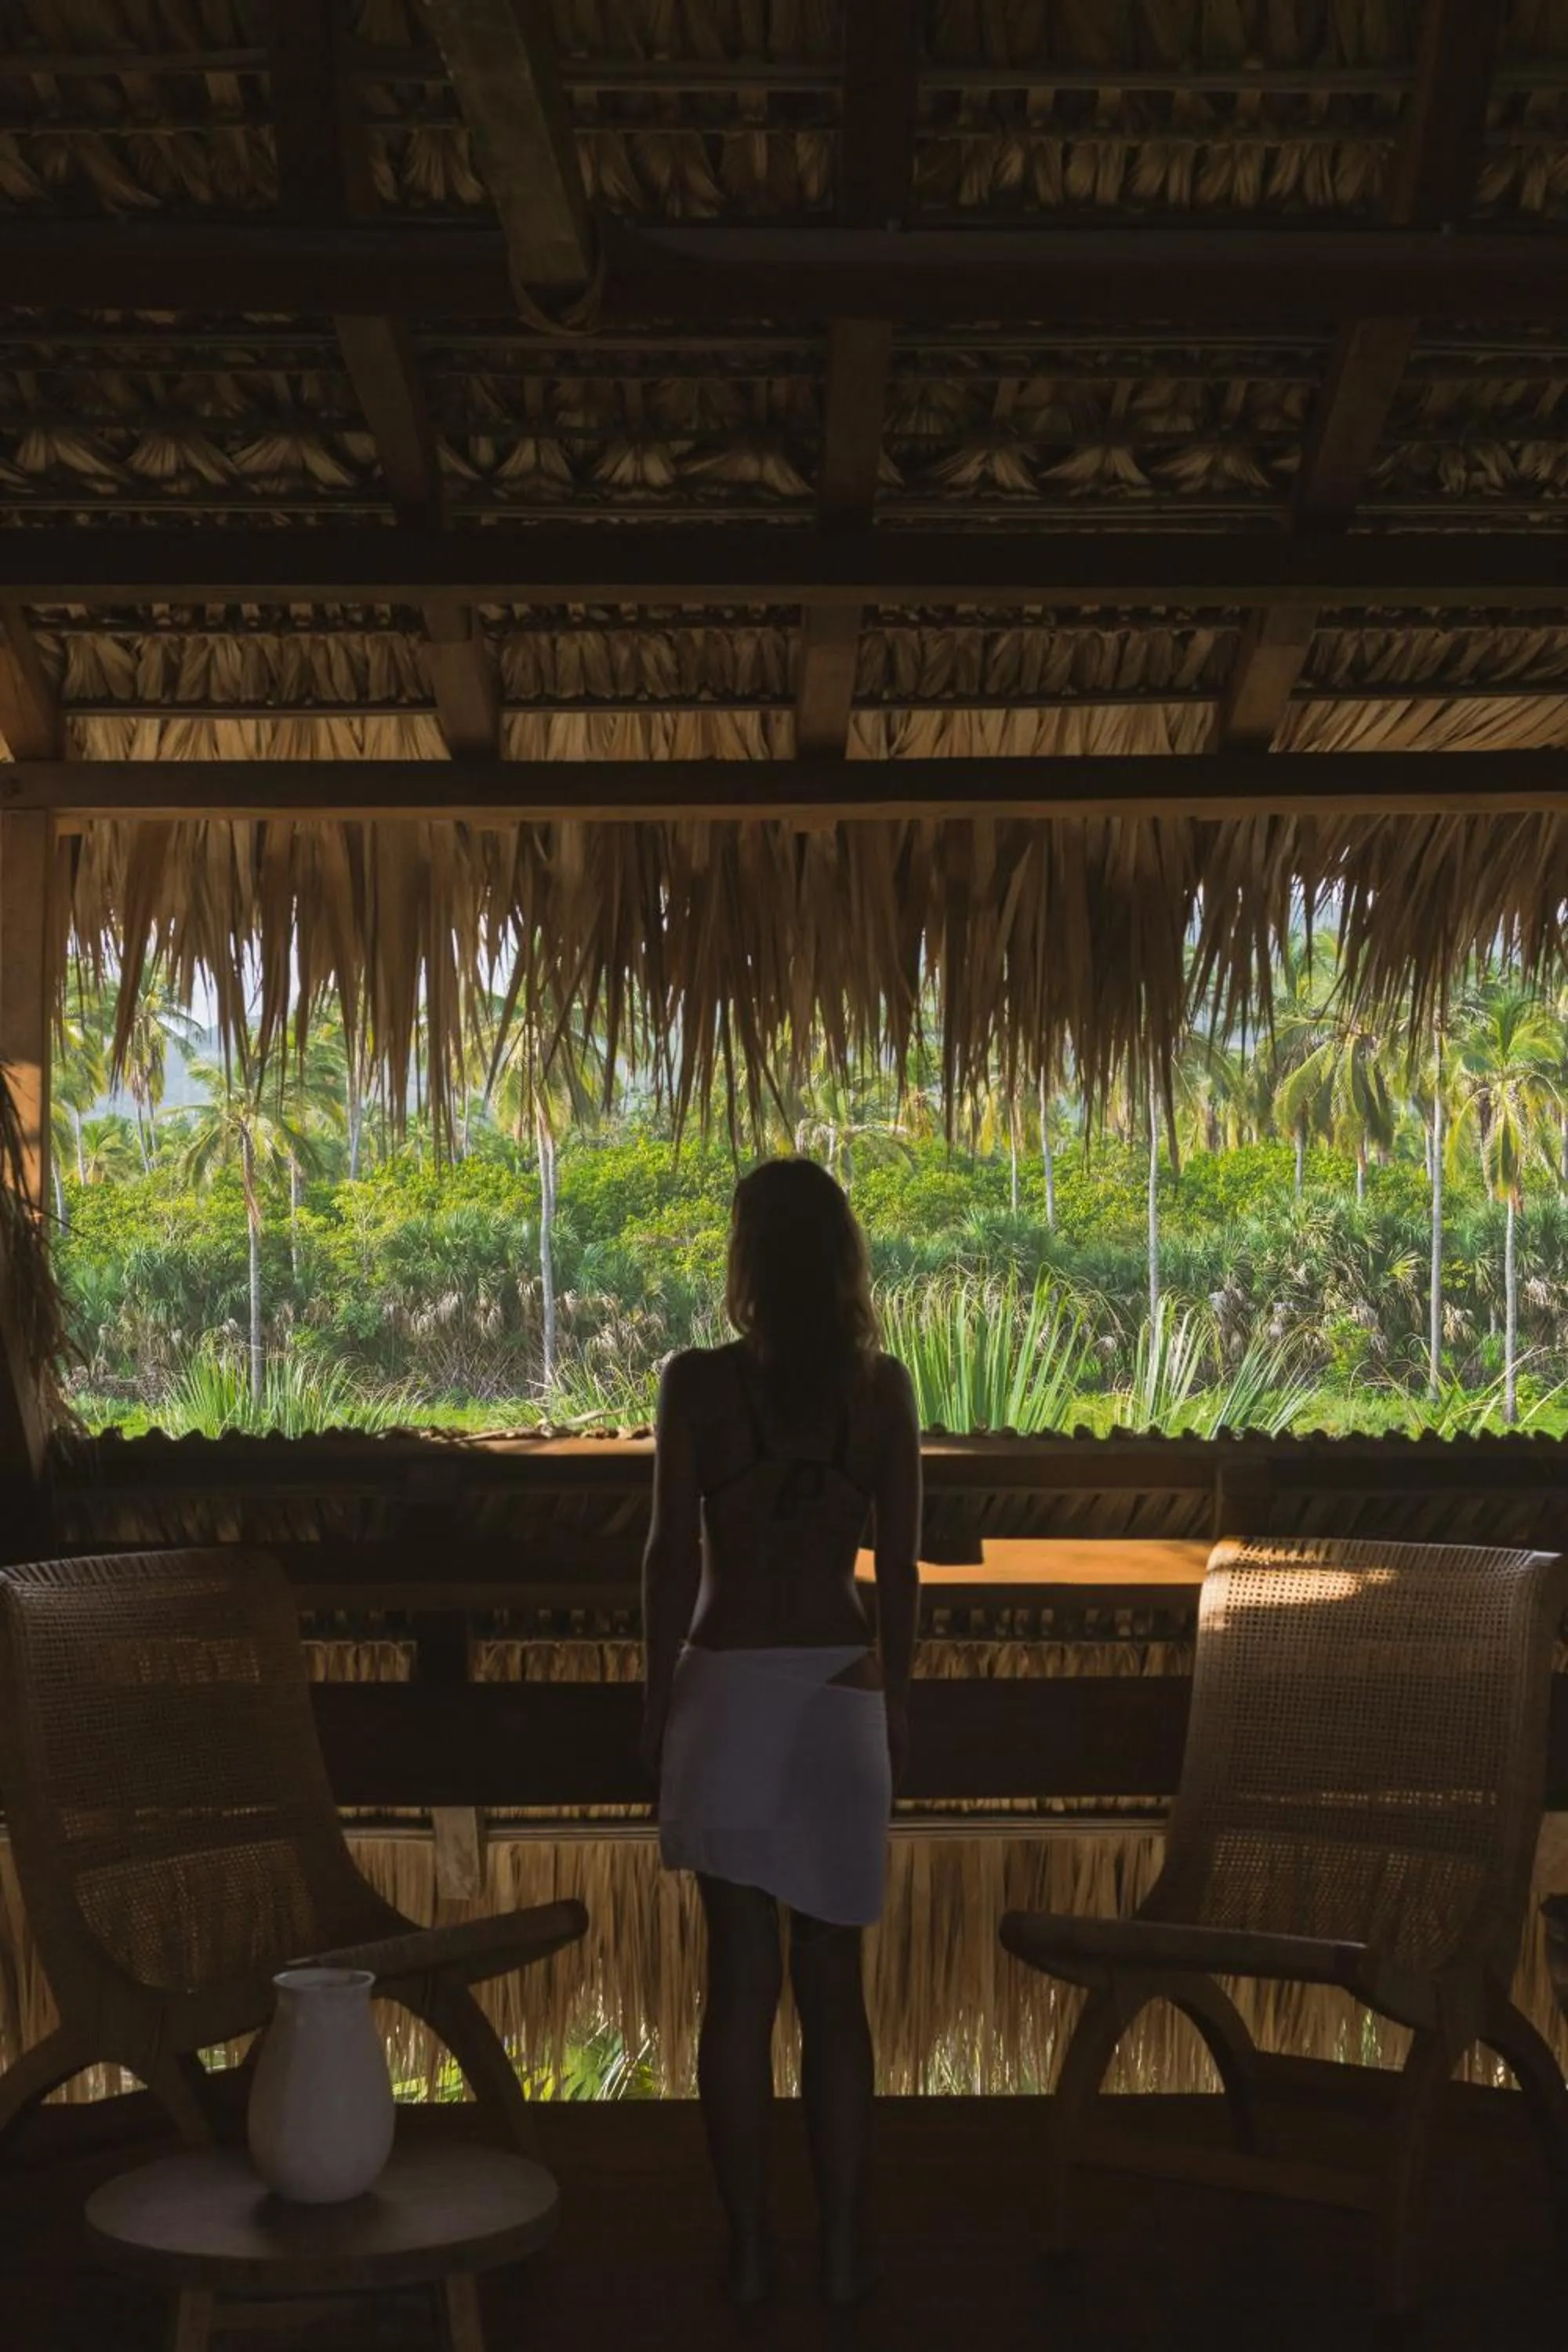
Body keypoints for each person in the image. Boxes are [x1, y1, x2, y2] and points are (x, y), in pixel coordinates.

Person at [640, 1156, 921, 2308]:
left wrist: (655, 1704)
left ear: (747, 1262)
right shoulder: (882, 1390)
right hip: (838, 1702)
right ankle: (845, 2248)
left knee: (739, 1987)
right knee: (835, 1990)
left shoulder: (696, 1387)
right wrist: (895, 1703)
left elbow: (668, 1559)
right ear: (845, 1258)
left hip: (728, 1697)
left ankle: (752, 2247)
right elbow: (897, 1571)